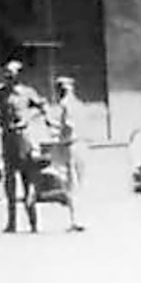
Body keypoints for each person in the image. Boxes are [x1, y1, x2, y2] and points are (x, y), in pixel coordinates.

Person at [0, 59, 45, 234]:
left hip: (23, 139)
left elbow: (42, 106)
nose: (9, 78)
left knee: (28, 181)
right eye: (7, 75)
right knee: (9, 183)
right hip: (7, 139)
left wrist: (28, 119)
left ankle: (33, 223)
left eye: (12, 75)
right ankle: (12, 224)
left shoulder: (27, 93)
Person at [46, 76, 87, 232]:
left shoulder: (65, 105)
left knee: (71, 183)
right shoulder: (79, 104)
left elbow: (68, 126)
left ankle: (76, 220)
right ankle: (83, 218)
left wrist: (53, 127)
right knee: (81, 182)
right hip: (82, 144)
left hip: (70, 145)